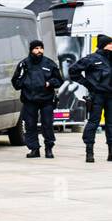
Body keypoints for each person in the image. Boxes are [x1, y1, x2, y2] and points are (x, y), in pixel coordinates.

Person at [11, 39, 63, 159]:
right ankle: (34, 149)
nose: (39, 51)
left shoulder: (49, 63)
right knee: (30, 125)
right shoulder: (24, 64)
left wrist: (50, 83)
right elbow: (15, 83)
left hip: (47, 100)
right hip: (29, 100)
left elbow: (59, 80)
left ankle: (49, 149)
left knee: (47, 125)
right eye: (36, 48)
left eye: (41, 48)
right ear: (31, 50)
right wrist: (25, 80)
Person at [69, 33, 112, 163]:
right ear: (104, 45)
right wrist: (87, 84)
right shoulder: (91, 59)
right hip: (96, 95)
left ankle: (111, 152)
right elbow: (73, 71)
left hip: (111, 96)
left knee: (111, 124)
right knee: (93, 123)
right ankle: (89, 152)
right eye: (110, 43)